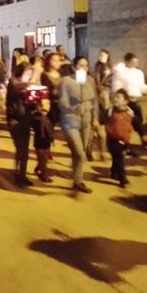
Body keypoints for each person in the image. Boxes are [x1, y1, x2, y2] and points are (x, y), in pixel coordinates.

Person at [59, 57, 99, 193]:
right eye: (81, 65)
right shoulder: (66, 81)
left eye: (86, 66)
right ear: (73, 67)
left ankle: (77, 180)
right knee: (80, 154)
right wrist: (72, 108)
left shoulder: (90, 80)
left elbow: (95, 101)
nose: (84, 68)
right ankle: (78, 179)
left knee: (79, 152)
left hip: (86, 120)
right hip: (70, 121)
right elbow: (62, 102)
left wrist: (95, 119)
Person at [6, 62, 36, 188]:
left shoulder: (28, 86)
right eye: (26, 72)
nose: (28, 75)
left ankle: (22, 174)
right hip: (15, 119)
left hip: (26, 119)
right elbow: (15, 88)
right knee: (20, 148)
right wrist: (30, 85)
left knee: (25, 149)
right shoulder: (13, 82)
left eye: (30, 73)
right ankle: (18, 175)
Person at [112, 52, 147, 140]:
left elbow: (141, 86)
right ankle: (143, 136)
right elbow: (116, 87)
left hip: (135, 100)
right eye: (133, 62)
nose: (135, 64)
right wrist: (121, 98)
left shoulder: (139, 73)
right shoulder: (120, 73)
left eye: (136, 62)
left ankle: (142, 136)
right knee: (134, 120)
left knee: (138, 120)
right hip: (125, 102)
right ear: (127, 61)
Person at [105, 89, 135, 188]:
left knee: (116, 158)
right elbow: (102, 118)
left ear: (126, 101)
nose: (115, 99)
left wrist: (143, 133)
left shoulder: (130, 113)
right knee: (119, 159)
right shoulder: (110, 111)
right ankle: (123, 180)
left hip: (125, 140)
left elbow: (136, 123)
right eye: (115, 97)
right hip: (113, 140)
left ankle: (113, 173)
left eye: (118, 97)